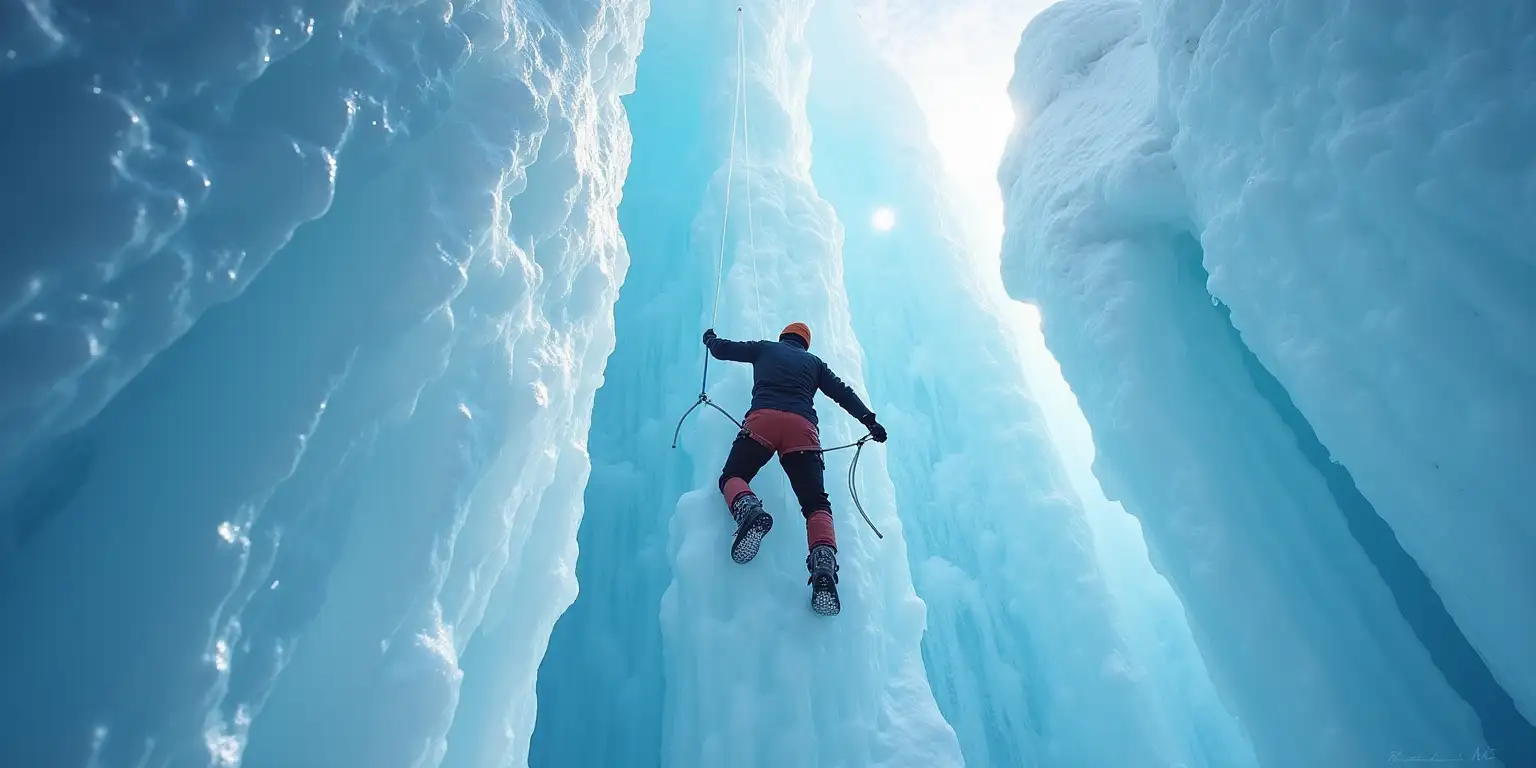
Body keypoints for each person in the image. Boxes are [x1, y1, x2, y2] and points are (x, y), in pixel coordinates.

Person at [702, 322, 888, 616]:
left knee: (733, 477)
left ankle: (748, 508)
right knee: (816, 504)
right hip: (802, 431)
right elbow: (842, 393)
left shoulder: (765, 348)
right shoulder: (814, 364)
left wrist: (711, 340)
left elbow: (726, 350)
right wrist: (870, 421)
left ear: (783, 337)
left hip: (764, 421)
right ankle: (823, 562)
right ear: (805, 344)